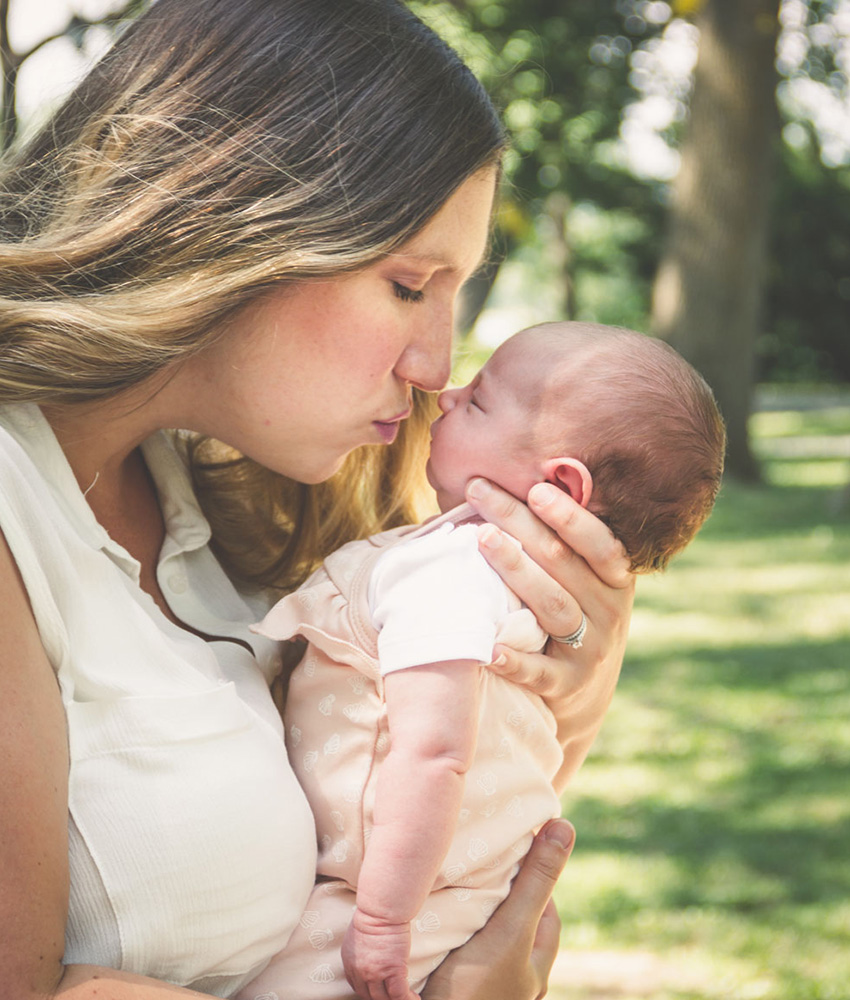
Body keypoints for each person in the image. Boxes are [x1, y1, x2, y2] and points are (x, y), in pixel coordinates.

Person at [0, 1, 635, 998]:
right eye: (408, 284)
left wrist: (568, 695)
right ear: (225, 221)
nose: (435, 366)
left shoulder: (211, 507)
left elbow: (427, 852)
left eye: (455, 293)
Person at [237, 322, 726, 1000]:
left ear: (560, 484)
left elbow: (435, 753)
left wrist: (381, 921)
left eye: (480, 400)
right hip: (458, 893)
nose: (447, 395)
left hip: (389, 903)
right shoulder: (491, 572)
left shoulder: (456, 572)